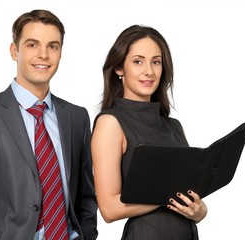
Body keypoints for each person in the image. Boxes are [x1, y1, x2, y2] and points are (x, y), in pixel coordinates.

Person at [0, 9, 98, 240]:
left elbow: (86, 195)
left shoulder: (77, 117)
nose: (43, 55)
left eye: (52, 46)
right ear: (14, 51)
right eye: (32, 45)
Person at [91, 25, 207, 240]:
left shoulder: (174, 127)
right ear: (119, 68)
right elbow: (109, 209)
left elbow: (190, 194)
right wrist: (169, 196)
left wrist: (200, 211)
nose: (149, 71)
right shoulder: (110, 123)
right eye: (138, 61)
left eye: (156, 61)